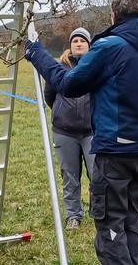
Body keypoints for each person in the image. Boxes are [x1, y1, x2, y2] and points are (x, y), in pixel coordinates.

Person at [25, 0, 138, 265]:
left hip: (115, 152)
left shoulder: (110, 47)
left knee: (110, 230)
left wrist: (37, 54)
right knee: (128, 224)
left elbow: (69, 83)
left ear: (114, 16)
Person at [43, 27, 95, 230]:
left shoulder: (96, 67)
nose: (79, 44)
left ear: (89, 45)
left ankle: (97, 210)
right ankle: (73, 215)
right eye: (75, 41)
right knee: (70, 176)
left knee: (97, 174)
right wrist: (61, 111)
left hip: (92, 131)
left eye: (83, 40)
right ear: (70, 46)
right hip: (65, 132)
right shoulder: (60, 68)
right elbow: (50, 96)